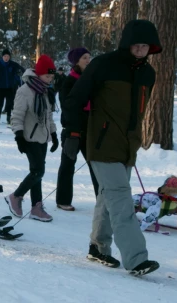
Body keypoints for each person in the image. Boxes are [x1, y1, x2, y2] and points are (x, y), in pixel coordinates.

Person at [64, 19, 162, 276]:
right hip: (101, 143)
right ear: (126, 44)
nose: (140, 49)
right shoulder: (104, 65)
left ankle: (98, 247)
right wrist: (73, 133)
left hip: (127, 146)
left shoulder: (147, 74)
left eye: (145, 45)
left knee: (107, 197)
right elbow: (75, 98)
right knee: (120, 200)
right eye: (136, 44)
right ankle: (136, 258)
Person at [5, 55, 59, 223]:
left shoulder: (43, 90)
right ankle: (16, 196)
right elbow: (17, 115)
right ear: (38, 74)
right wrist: (19, 136)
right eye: (47, 76)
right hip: (28, 138)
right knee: (38, 171)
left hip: (42, 138)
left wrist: (54, 134)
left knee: (37, 173)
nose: (50, 79)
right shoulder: (25, 91)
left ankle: (36, 208)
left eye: (51, 77)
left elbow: (48, 115)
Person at [55, 47, 99, 211]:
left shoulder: (92, 80)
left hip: (91, 130)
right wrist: (75, 128)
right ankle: (63, 200)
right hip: (73, 131)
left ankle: (102, 200)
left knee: (96, 165)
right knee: (68, 165)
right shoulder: (69, 82)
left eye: (89, 57)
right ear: (76, 62)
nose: (88, 61)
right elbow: (68, 107)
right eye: (84, 58)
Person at [0, 49, 24, 132]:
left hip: (11, 88)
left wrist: (19, 72)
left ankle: (11, 121)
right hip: (0, 88)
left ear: (10, 57)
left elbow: (23, 70)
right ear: (2, 57)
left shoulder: (13, 65)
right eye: (5, 56)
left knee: (11, 105)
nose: (6, 58)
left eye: (8, 56)